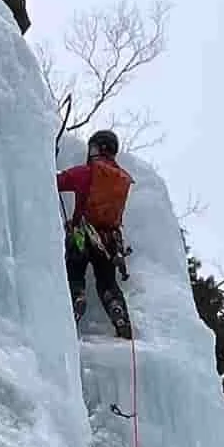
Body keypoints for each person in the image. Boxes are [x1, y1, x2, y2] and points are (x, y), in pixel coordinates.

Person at [58, 128, 134, 336]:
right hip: (109, 241)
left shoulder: (87, 172)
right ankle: (116, 309)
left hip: (82, 235)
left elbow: (58, 182)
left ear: (98, 148)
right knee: (107, 282)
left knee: (74, 273)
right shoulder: (121, 180)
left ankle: (77, 298)